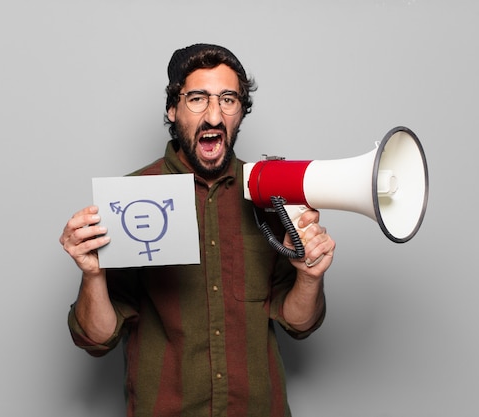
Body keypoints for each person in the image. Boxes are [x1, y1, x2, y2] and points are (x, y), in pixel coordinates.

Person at [59, 43, 336, 417]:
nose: (214, 115)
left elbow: (299, 323)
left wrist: (308, 277)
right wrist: (92, 275)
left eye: (228, 99)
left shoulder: (270, 195)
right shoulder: (130, 199)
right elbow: (96, 338)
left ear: (240, 111)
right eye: (197, 99)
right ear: (172, 109)